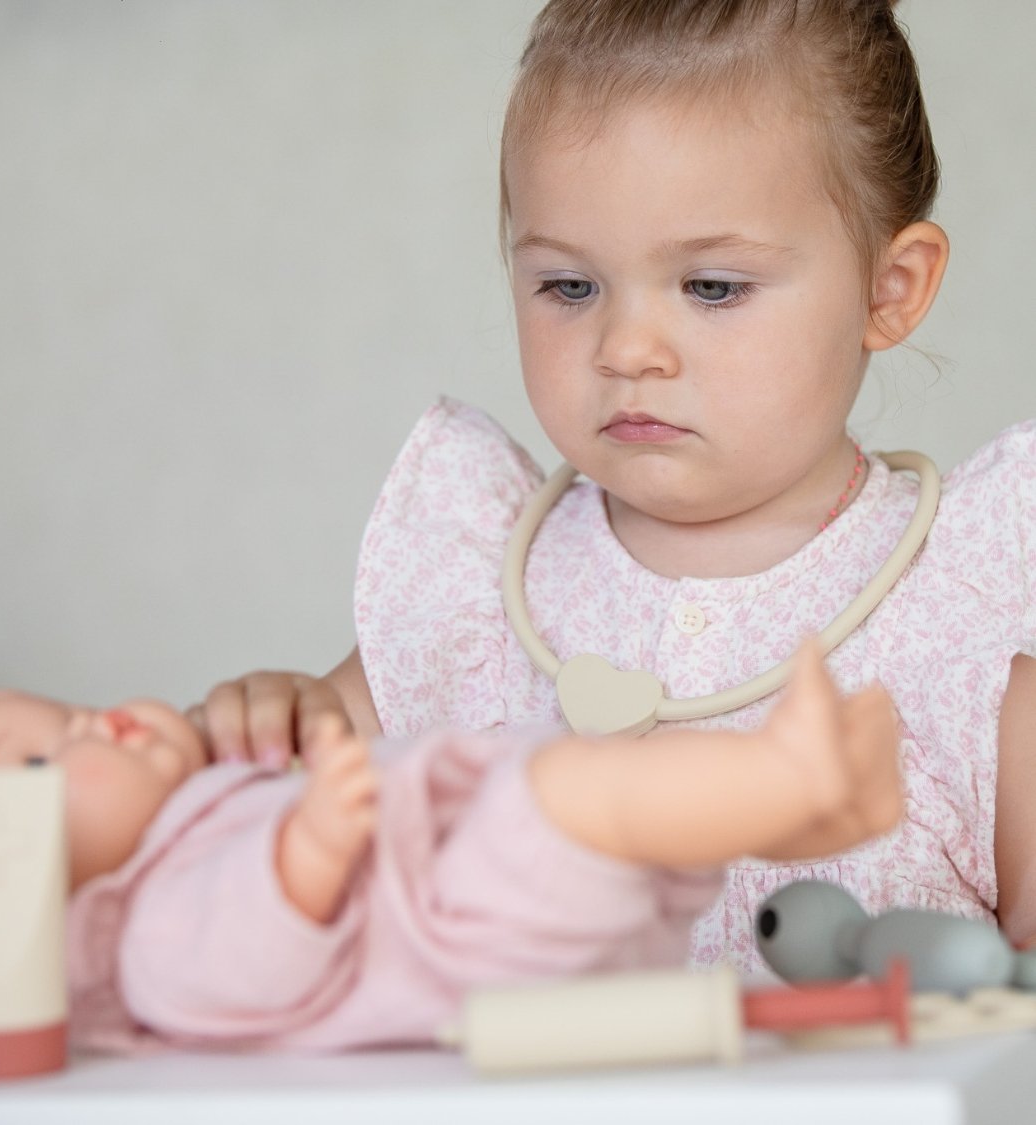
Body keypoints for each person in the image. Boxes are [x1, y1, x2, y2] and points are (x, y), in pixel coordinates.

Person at [189, 0, 1036, 974]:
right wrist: (270, 731)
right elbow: (264, 852)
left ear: (889, 290)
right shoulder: (480, 592)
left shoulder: (961, 622)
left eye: (712, 287)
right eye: (570, 287)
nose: (627, 349)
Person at [0, 644, 900, 1050]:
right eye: (40, 759)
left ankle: (797, 813)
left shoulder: (195, 815)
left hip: (482, 901)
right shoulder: (146, 939)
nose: (90, 724)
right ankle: (788, 781)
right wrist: (304, 850)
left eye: (67, 711)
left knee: (599, 786)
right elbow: (240, 957)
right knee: (568, 794)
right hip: (459, 940)